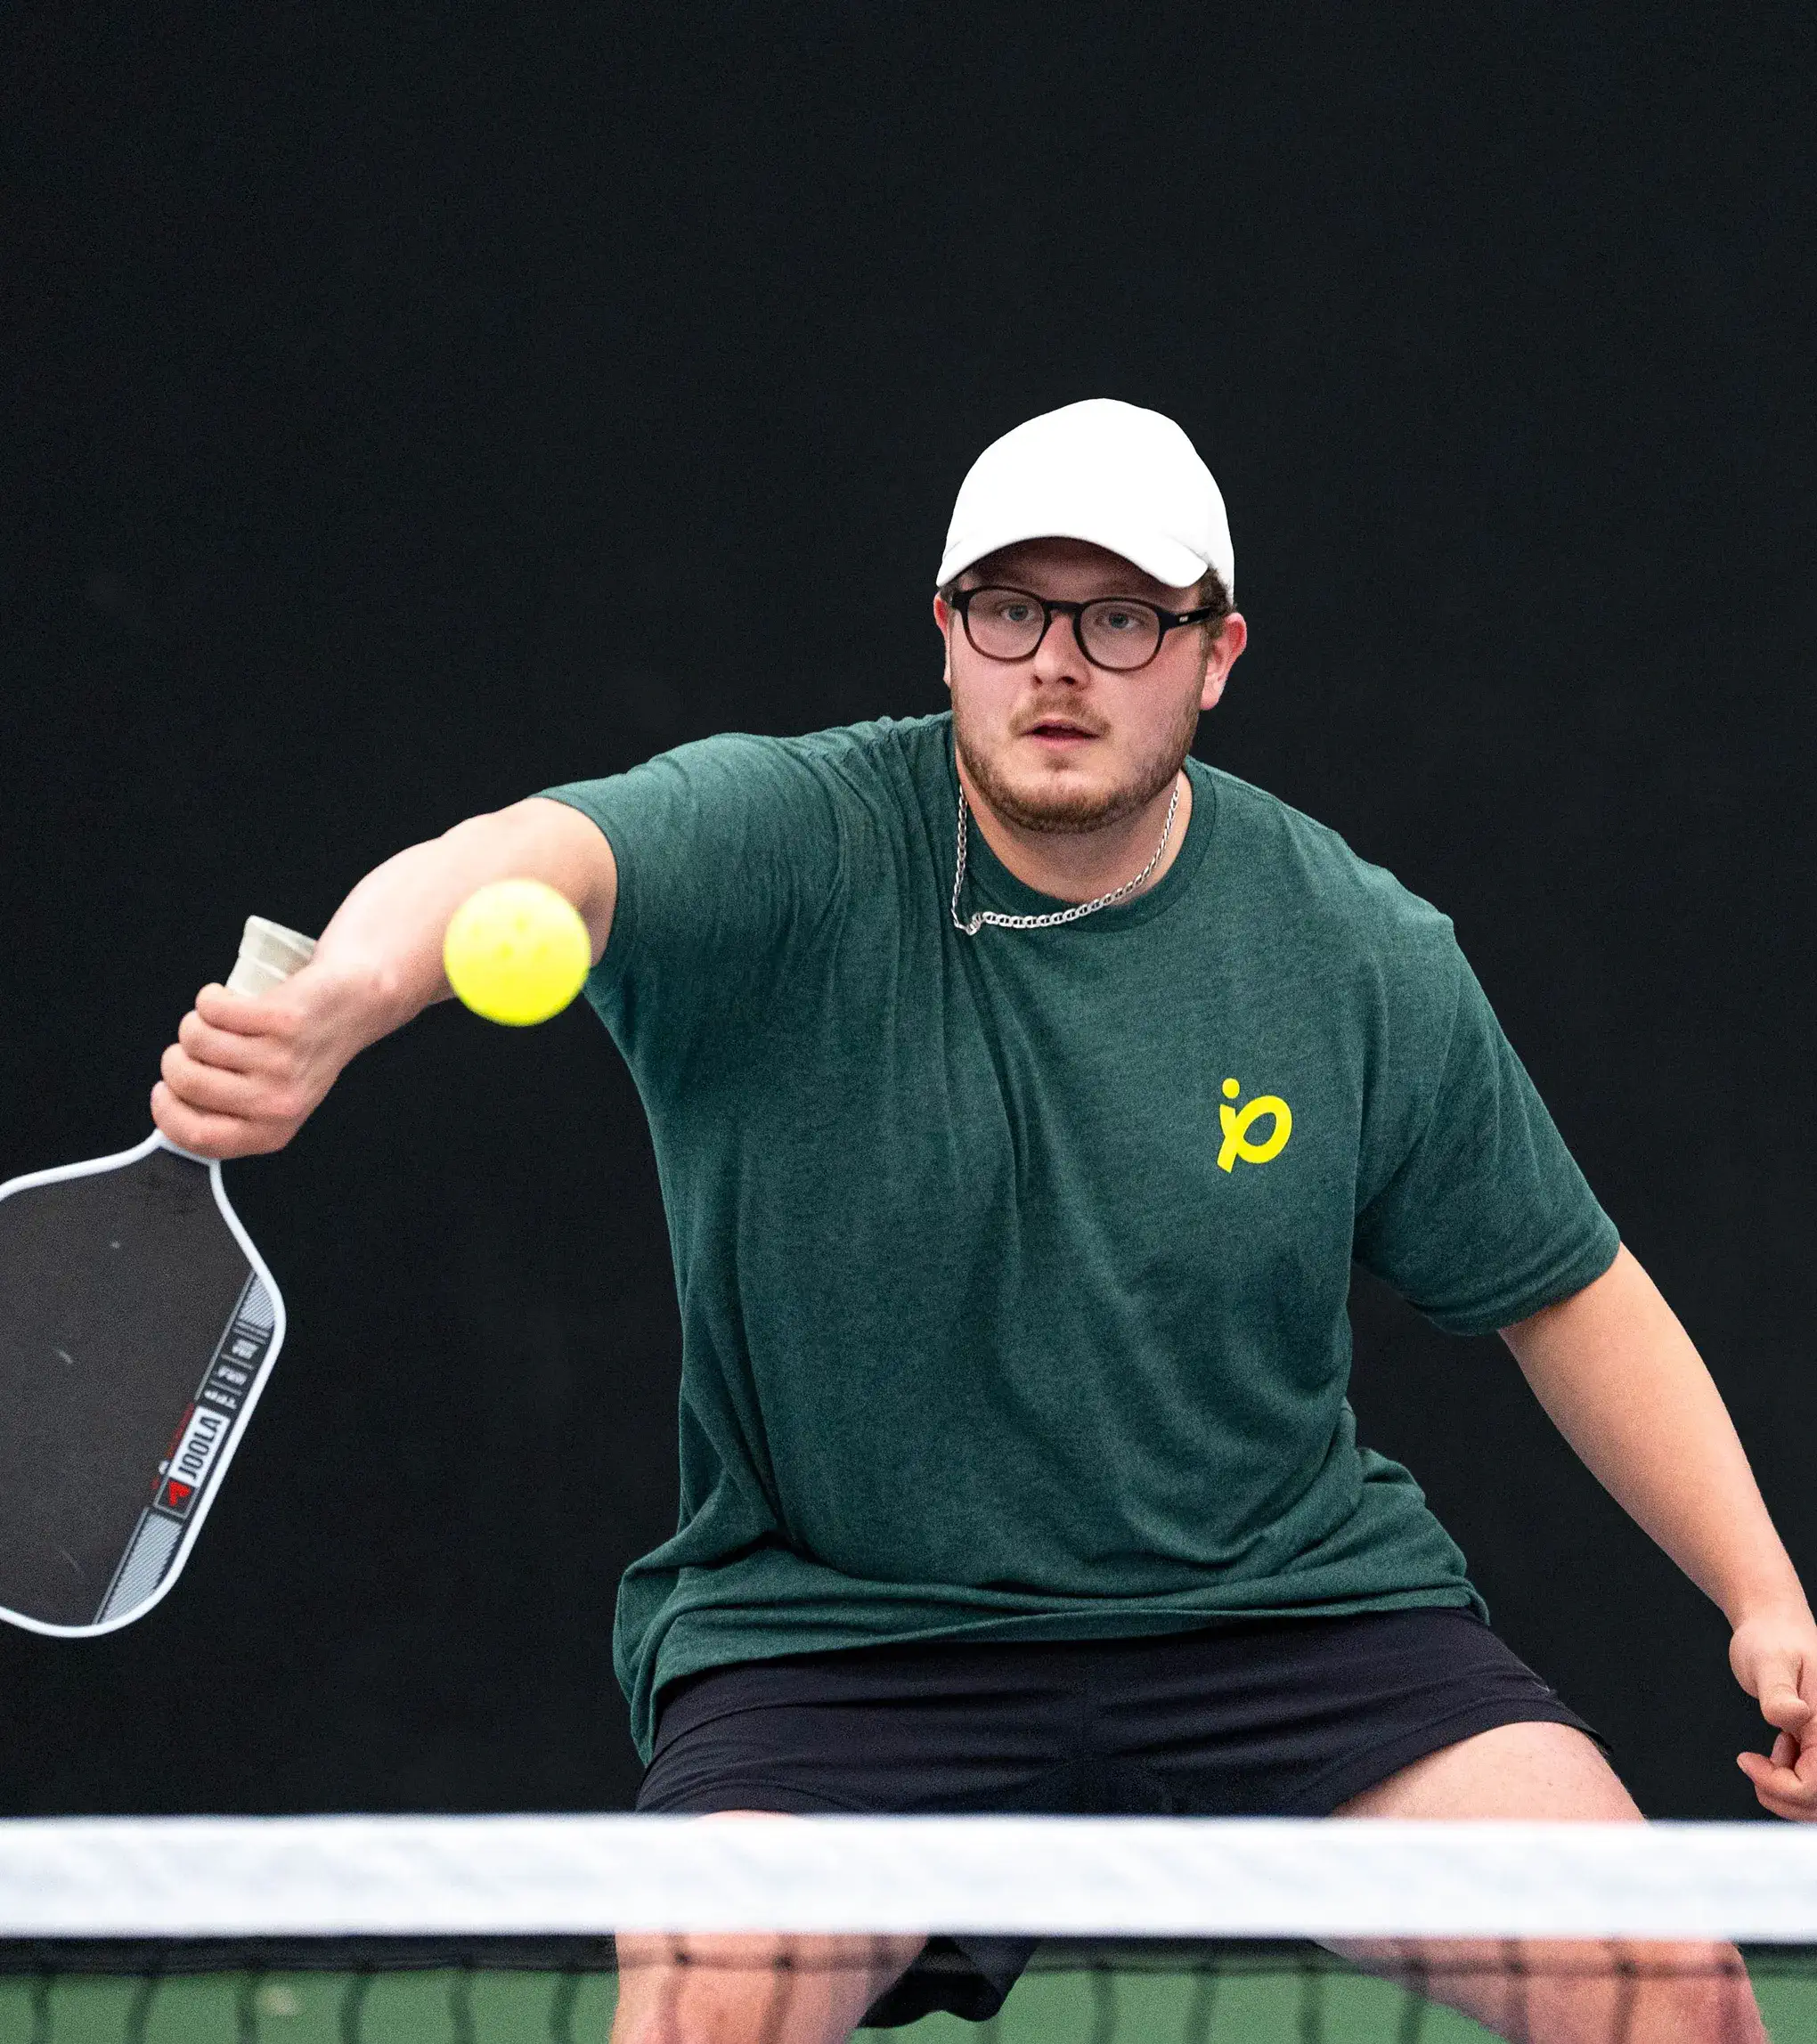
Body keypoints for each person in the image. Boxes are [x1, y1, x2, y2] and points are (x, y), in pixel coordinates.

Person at [153, 400, 1814, 2042]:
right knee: (706, 2002)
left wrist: (1764, 1595)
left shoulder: (1355, 947)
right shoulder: (793, 847)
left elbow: (1564, 1288)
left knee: (1666, 1981)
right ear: (948, 631)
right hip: (843, 1635)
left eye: (1121, 618)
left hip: (1280, 1615)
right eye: (1014, 609)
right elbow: (524, 855)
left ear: (1215, 652)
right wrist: (351, 995)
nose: (1060, 664)